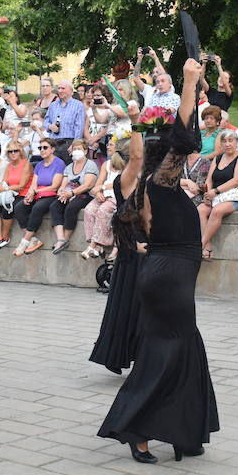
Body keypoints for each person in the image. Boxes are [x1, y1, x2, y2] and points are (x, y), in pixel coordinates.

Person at [99, 57, 218, 462]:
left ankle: (183, 431)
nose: (177, 152)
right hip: (169, 276)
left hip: (168, 272)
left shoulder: (157, 185)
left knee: (180, 347)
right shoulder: (158, 181)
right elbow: (185, 134)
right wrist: (188, 81)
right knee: (169, 350)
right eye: (169, 149)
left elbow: (184, 134)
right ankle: (138, 428)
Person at [90, 111, 146, 374]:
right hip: (133, 250)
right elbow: (136, 156)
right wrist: (136, 122)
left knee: (135, 306)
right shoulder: (125, 180)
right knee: (131, 307)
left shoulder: (142, 180)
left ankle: (135, 355)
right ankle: (126, 354)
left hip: (140, 247)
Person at [198, 130, 238, 258]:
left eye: (230, 140)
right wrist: (208, 194)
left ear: (236, 142)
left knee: (217, 211)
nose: (227, 144)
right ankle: (208, 246)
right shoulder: (218, 157)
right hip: (218, 197)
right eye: (224, 141)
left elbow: (237, 180)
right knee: (200, 209)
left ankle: (200, 245)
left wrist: (215, 191)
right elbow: (209, 179)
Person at [13, 140, 64, 256]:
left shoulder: (59, 163)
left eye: (45, 147)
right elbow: (33, 184)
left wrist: (35, 191)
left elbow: (54, 186)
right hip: (38, 194)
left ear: (53, 149)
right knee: (19, 207)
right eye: (40, 148)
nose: (42, 150)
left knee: (37, 208)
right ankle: (33, 240)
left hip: (51, 195)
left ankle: (24, 242)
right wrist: (30, 193)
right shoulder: (39, 165)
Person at [52, 139, 98, 252]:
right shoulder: (69, 167)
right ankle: (60, 239)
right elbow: (63, 184)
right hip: (69, 193)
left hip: (85, 194)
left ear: (86, 151)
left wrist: (71, 193)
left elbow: (87, 185)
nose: (76, 151)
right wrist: (62, 192)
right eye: (74, 149)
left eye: (79, 149)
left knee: (71, 207)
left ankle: (66, 238)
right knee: (55, 205)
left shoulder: (90, 165)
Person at [82, 152, 125, 260]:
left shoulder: (126, 164)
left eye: (111, 145)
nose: (107, 147)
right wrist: (98, 193)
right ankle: (97, 246)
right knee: (89, 210)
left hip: (116, 195)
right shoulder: (106, 164)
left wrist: (103, 187)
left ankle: (93, 245)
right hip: (103, 193)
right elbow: (98, 183)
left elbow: (121, 183)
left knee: (102, 211)